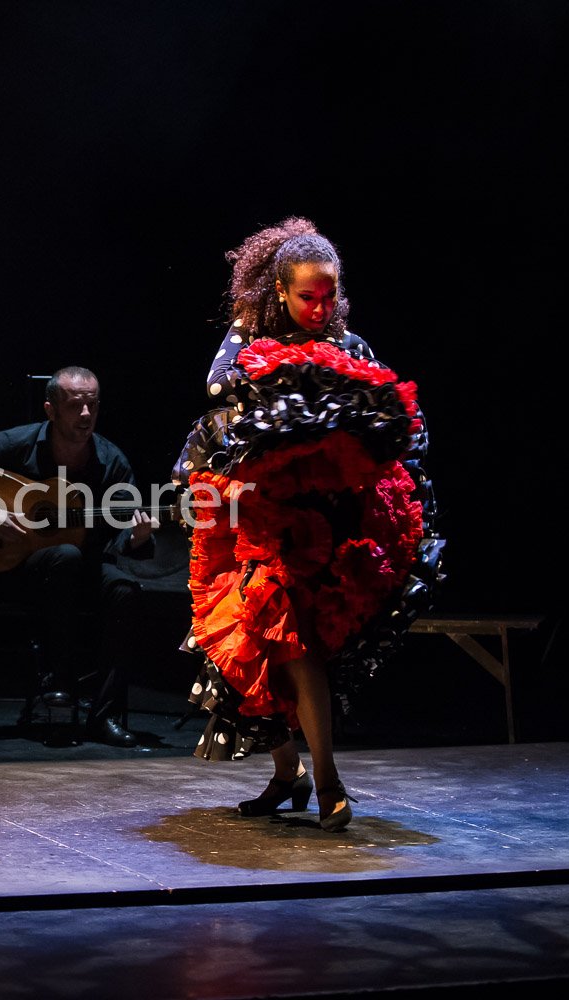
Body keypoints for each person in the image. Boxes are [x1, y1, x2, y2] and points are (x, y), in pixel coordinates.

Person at [174, 218, 442, 831]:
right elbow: (218, 387)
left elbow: (394, 417)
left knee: (298, 646)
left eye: (328, 296)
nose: (319, 309)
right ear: (279, 290)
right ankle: (289, 773)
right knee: (248, 646)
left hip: (325, 524)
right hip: (258, 513)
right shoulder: (248, 337)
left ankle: (326, 781)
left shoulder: (350, 346)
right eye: (306, 297)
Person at [0, 366, 158, 747]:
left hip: (82, 572)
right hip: (20, 570)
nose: (86, 415)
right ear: (50, 409)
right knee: (64, 556)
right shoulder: (17, 443)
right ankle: (60, 682)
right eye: (75, 406)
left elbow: (123, 534)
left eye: (92, 405)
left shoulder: (111, 461)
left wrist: (137, 537)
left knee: (124, 590)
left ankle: (102, 716)